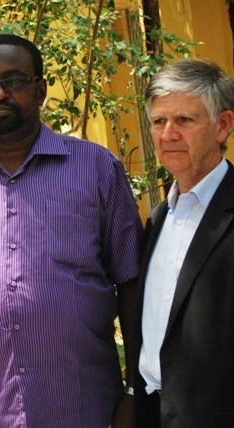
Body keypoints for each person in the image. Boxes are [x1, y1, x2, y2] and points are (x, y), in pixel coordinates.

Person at [0, 34, 143, 427]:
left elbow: (132, 282)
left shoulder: (97, 169)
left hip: (87, 410)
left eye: (14, 80)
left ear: (40, 89)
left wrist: (135, 391)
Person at [132, 59, 234, 427]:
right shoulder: (158, 218)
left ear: (222, 125)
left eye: (184, 120)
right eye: (158, 121)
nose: (168, 134)